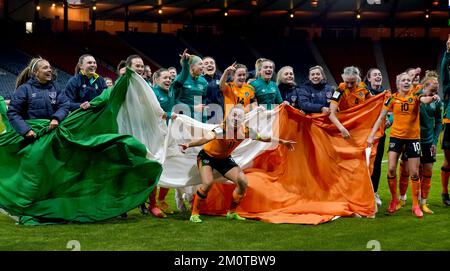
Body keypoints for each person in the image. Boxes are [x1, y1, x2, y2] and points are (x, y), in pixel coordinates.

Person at [179, 106, 296, 223]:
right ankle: (194, 213)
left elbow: (263, 138)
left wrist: (282, 141)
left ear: (243, 119)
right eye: (234, 115)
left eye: (239, 117)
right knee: (207, 183)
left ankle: (232, 212)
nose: (236, 118)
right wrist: (189, 144)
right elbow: (205, 139)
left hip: (224, 159)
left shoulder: (245, 131)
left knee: (243, 182)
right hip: (207, 157)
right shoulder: (222, 129)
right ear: (229, 116)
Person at [367, 72, 440, 218]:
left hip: (413, 139)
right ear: (398, 83)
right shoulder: (392, 98)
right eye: (403, 80)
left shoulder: (416, 96)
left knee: (414, 173)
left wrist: (433, 98)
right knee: (391, 170)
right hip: (396, 138)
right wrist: (371, 134)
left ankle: (415, 205)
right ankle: (394, 200)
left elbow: (425, 100)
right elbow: (381, 116)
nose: (406, 82)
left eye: (408, 80)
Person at [7, 58, 70, 140]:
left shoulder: (56, 87)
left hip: (53, 131)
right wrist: (26, 131)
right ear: (35, 72)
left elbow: (64, 105)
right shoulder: (24, 89)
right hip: (33, 134)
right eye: (45, 68)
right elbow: (13, 112)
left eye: (50, 67)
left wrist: (56, 118)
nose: (50, 70)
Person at [363, 68, 391, 208]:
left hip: (380, 134)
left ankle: (374, 192)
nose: (378, 76)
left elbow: (392, 112)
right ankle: (362, 193)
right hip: (364, 135)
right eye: (375, 75)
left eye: (380, 74)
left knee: (377, 164)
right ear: (368, 78)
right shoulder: (363, 93)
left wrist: (389, 120)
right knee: (364, 163)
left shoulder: (386, 94)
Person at [151, 68, 177, 217]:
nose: (168, 80)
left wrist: (185, 64)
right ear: (156, 79)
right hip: (155, 135)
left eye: (170, 78)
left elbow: (181, 78)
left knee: (170, 166)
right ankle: (152, 204)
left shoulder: (171, 91)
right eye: (165, 78)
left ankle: (161, 200)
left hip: (168, 133)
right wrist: (168, 114)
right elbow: (152, 111)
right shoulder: (153, 93)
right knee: (156, 168)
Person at [329, 66, 371, 139]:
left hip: (360, 124)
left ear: (357, 78)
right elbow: (331, 114)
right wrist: (342, 129)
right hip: (346, 124)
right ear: (343, 78)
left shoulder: (363, 87)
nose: (349, 85)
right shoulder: (340, 90)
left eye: (352, 83)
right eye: (347, 82)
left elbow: (373, 101)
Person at [171, 49, 208, 123]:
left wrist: (204, 120)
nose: (203, 66)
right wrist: (192, 108)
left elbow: (203, 103)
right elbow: (173, 100)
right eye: (200, 64)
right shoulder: (180, 78)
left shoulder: (203, 81)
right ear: (192, 66)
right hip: (181, 116)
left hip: (197, 119)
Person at [440, 36, 450, 206]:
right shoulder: (449, 87)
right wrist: (447, 53)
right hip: (449, 122)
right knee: (449, 160)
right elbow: (444, 72)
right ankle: (444, 192)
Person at [203, 56, 223, 124]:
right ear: (202, 68)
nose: (209, 65)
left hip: (221, 114)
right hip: (206, 115)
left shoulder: (221, 77)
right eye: (206, 63)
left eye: (212, 63)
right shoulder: (199, 80)